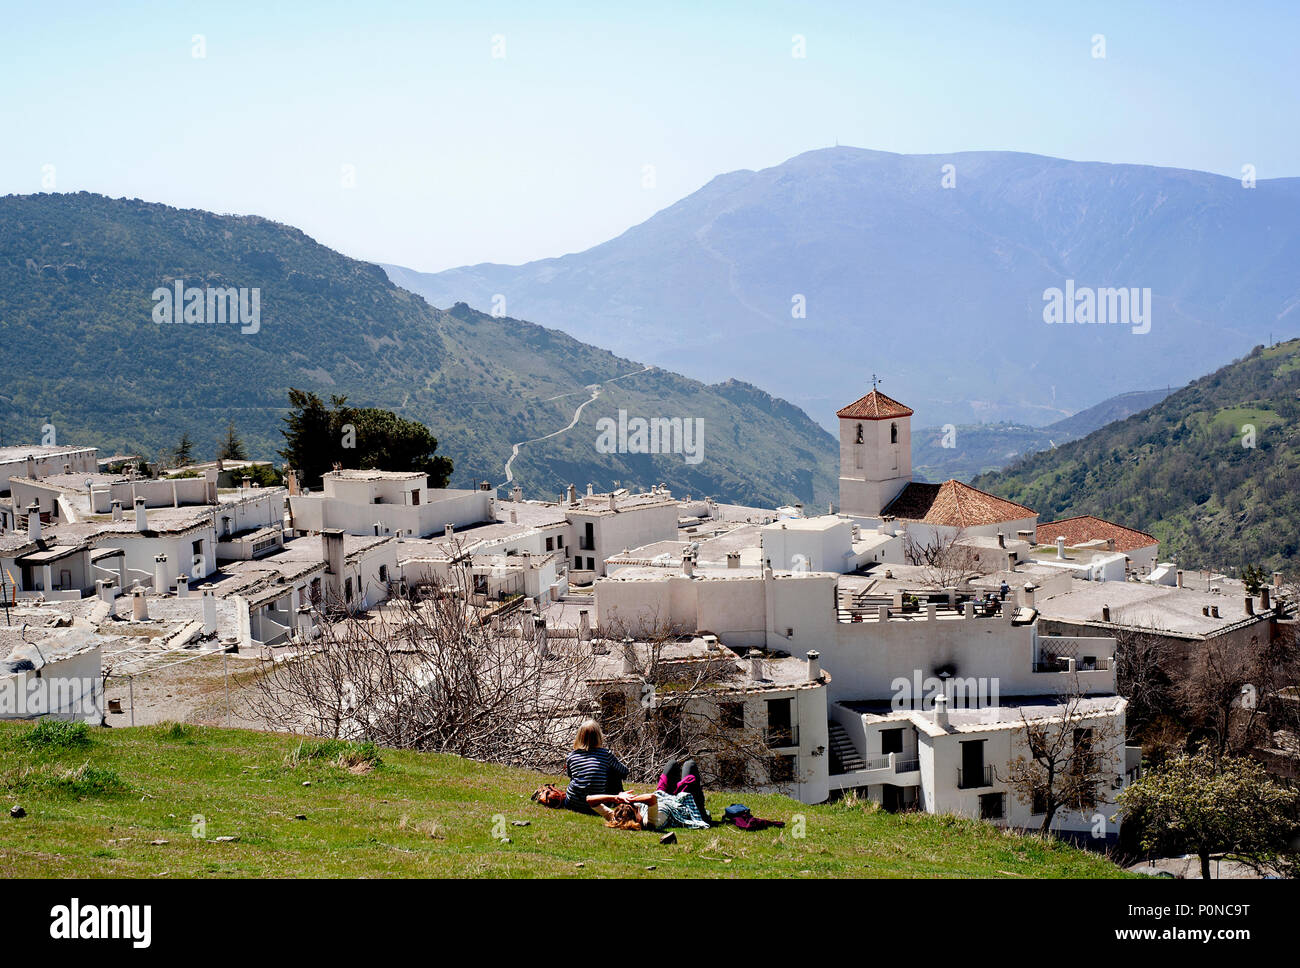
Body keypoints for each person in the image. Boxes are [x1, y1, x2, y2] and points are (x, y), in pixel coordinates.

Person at [563, 720, 628, 813]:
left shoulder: (571, 756)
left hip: (573, 803)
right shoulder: (606, 754)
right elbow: (624, 771)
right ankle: (616, 801)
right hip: (596, 805)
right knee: (614, 772)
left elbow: (570, 775)